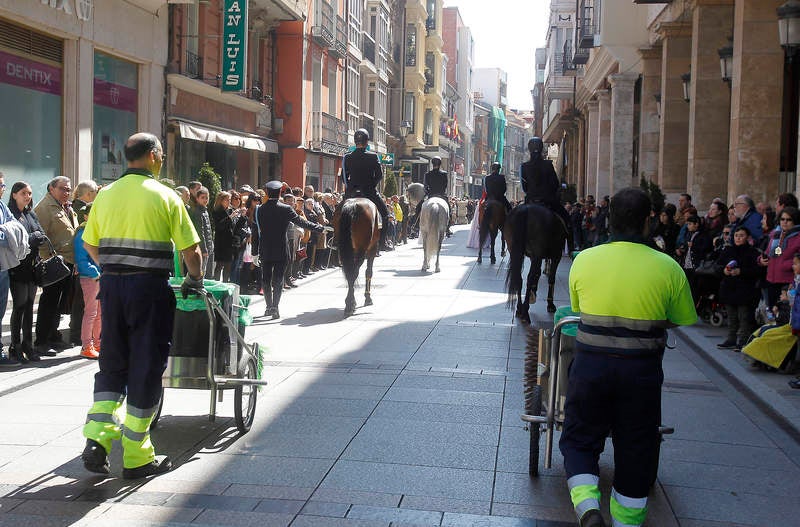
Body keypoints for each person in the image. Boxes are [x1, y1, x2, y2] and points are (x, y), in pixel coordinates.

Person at [561, 187, 696, 527]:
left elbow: (578, 310)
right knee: (636, 447)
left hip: (590, 365)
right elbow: (681, 318)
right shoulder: (669, 268)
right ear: (648, 222)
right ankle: (626, 522)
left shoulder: (585, 260)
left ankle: (587, 505)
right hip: (641, 371)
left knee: (579, 436)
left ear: (608, 219)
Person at [80, 132, 202, 480]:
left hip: (113, 288)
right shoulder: (165, 196)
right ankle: (136, 456)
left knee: (112, 364)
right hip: (149, 290)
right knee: (146, 367)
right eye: (160, 153)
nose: (162, 158)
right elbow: (192, 252)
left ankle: (97, 441)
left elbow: (89, 242)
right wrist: (194, 279)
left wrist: (111, 266)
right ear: (151, 156)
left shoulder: (106, 195)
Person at [255, 181, 325, 320]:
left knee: (266, 279)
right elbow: (301, 222)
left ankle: (268, 307)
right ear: (281, 192)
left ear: (267, 193)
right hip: (281, 248)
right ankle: (275, 307)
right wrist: (319, 228)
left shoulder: (260, 209)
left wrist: (254, 253)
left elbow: (256, 232)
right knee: (279, 279)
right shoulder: (285, 209)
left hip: (265, 249)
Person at [34, 176, 78, 355]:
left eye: (68, 189)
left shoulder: (66, 206)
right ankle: (42, 340)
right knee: (48, 302)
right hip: (55, 263)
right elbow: (40, 236)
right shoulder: (45, 208)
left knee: (59, 305)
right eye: (62, 189)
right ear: (51, 189)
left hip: (68, 261)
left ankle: (53, 336)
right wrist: (49, 260)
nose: (66, 192)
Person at [7, 181, 47, 364]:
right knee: (20, 306)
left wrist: (38, 237)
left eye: (30, 193)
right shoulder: (10, 214)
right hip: (17, 267)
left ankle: (28, 345)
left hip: (32, 266)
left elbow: (41, 232)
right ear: (14, 194)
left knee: (30, 306)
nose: (28, 196)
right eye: (24, 193)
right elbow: (14, 238)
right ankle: (15, 346)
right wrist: (32, 238)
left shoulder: (30, 213)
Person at [520, 137, 574, 253]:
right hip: (548, 200)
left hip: (530, 200)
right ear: (541, 149)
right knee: (567, 220)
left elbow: (524, 187)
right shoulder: (548, 164)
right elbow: (554, 183)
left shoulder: (524, 166)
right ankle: (571, 247)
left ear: (529, 149)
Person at [341, 128, 391, 251]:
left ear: (355, 141)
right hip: (369, 193)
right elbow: (379, 175)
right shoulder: (373, 156)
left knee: (339, 215)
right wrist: (371, 185)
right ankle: (383, 242)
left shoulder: (347, 157)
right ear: (367, 142)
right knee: (385, 215)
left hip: (352, 193)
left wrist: (349, 188)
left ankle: (338, 242)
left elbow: (343, 177)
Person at [716, 226, 761, 350]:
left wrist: (741, 271)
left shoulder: (753, 252)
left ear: (747, 237)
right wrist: (724, 271)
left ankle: (743, 340)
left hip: (745, 289)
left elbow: (757, 270)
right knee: (732, 316)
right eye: (736, 235)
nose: (738, 238)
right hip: (729, 288)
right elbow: (718, 266)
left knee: (744, 317)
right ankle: (731, 339)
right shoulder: (728, 250)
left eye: (741, 235)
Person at [73, 203, 101, 359]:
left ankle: (97, 343)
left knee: (99, 313)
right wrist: (95, 273)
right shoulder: (82, 233)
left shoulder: (97, 232)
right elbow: (82, 259)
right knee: (91, 312)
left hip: (99, 277)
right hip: (90, 278)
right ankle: (86, 346)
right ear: (86, 216)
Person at [413, 156, 450, 235]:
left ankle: (416, 226)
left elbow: (425, 186)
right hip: (441, 195)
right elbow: (445, 185)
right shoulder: (444, 174)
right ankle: (448, 228)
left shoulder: (427, 174)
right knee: (449, 208)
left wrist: (427, 192)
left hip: (431, 195)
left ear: (432, 164)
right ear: (440, 164)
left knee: (418, 208)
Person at [188, 186, 214, 278]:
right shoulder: (197, 212)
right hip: (202, 247)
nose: (205, 200)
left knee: (206, 271)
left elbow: (208, 230)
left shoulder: (204, 210)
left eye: (206, 197)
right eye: (202, 197)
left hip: (208, 246)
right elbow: (200, 232)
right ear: (197, 198)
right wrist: (204, 249)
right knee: (202, 271)